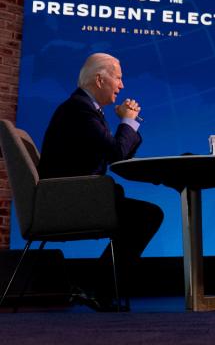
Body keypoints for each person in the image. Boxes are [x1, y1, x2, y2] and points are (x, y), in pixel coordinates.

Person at [38, 53, 163, 310]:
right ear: (99, 79)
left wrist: (128, 123)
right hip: (71, 203)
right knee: (147, 216)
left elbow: (118, 153)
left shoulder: (85, 109)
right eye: (118, 78)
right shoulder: (80, 110)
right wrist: (128, 121)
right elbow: (116, 153)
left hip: (77, 198)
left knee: (144, 214)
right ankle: (100, 288)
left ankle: (98, 287)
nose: (122, 85)